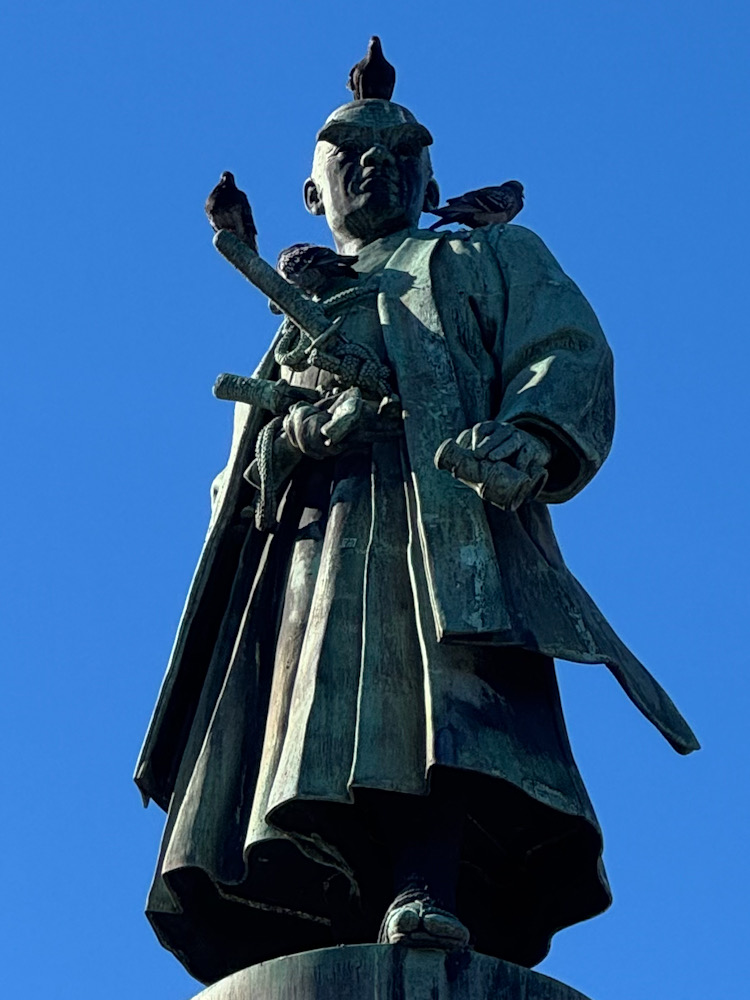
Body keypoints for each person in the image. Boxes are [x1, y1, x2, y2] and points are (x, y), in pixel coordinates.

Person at [135, 97, 698, 986]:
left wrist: (532, 436)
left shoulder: (486, 256)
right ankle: (315, 901)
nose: (377, 164)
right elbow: (241, 466)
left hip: (446, 519)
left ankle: (426, 886)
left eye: (401, 152)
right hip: (315, 543)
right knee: (306, 723)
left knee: (443, 703)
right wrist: (305, 434)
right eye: (350, 152)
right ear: (313, 193)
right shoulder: (297, 311)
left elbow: (566, 349)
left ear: (432, 184)